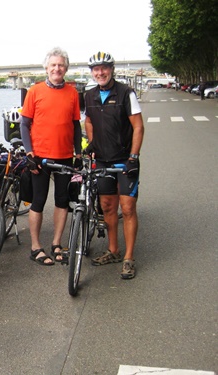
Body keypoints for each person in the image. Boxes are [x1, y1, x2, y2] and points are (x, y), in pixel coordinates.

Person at [83, 51, 144, 279]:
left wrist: (134, 157)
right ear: (92, 72)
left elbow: (138, 126)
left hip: (125, 160)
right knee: (108, 207)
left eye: (104, 68)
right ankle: (113, 250)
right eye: (96, 69)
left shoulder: (126, 93)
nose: (100, 72)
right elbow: (88, 119)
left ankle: (128, 257)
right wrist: (92, 143)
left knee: (127, 208)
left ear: (112, 69)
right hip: (102, 160)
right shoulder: (88, 96)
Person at [20, 47, 82, 266]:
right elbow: (24, 124)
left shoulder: (73, 93)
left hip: (64, 156)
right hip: (40, 158)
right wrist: (29, 153)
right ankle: (35, 247)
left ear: (66, 68)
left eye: (61, 65)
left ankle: (57, 243)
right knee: (38, 201)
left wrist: (79, 153)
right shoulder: (34, 91)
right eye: (53, 65)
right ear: (46, 68)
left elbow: (76, 125)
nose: (57, 68)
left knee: (62, 200)